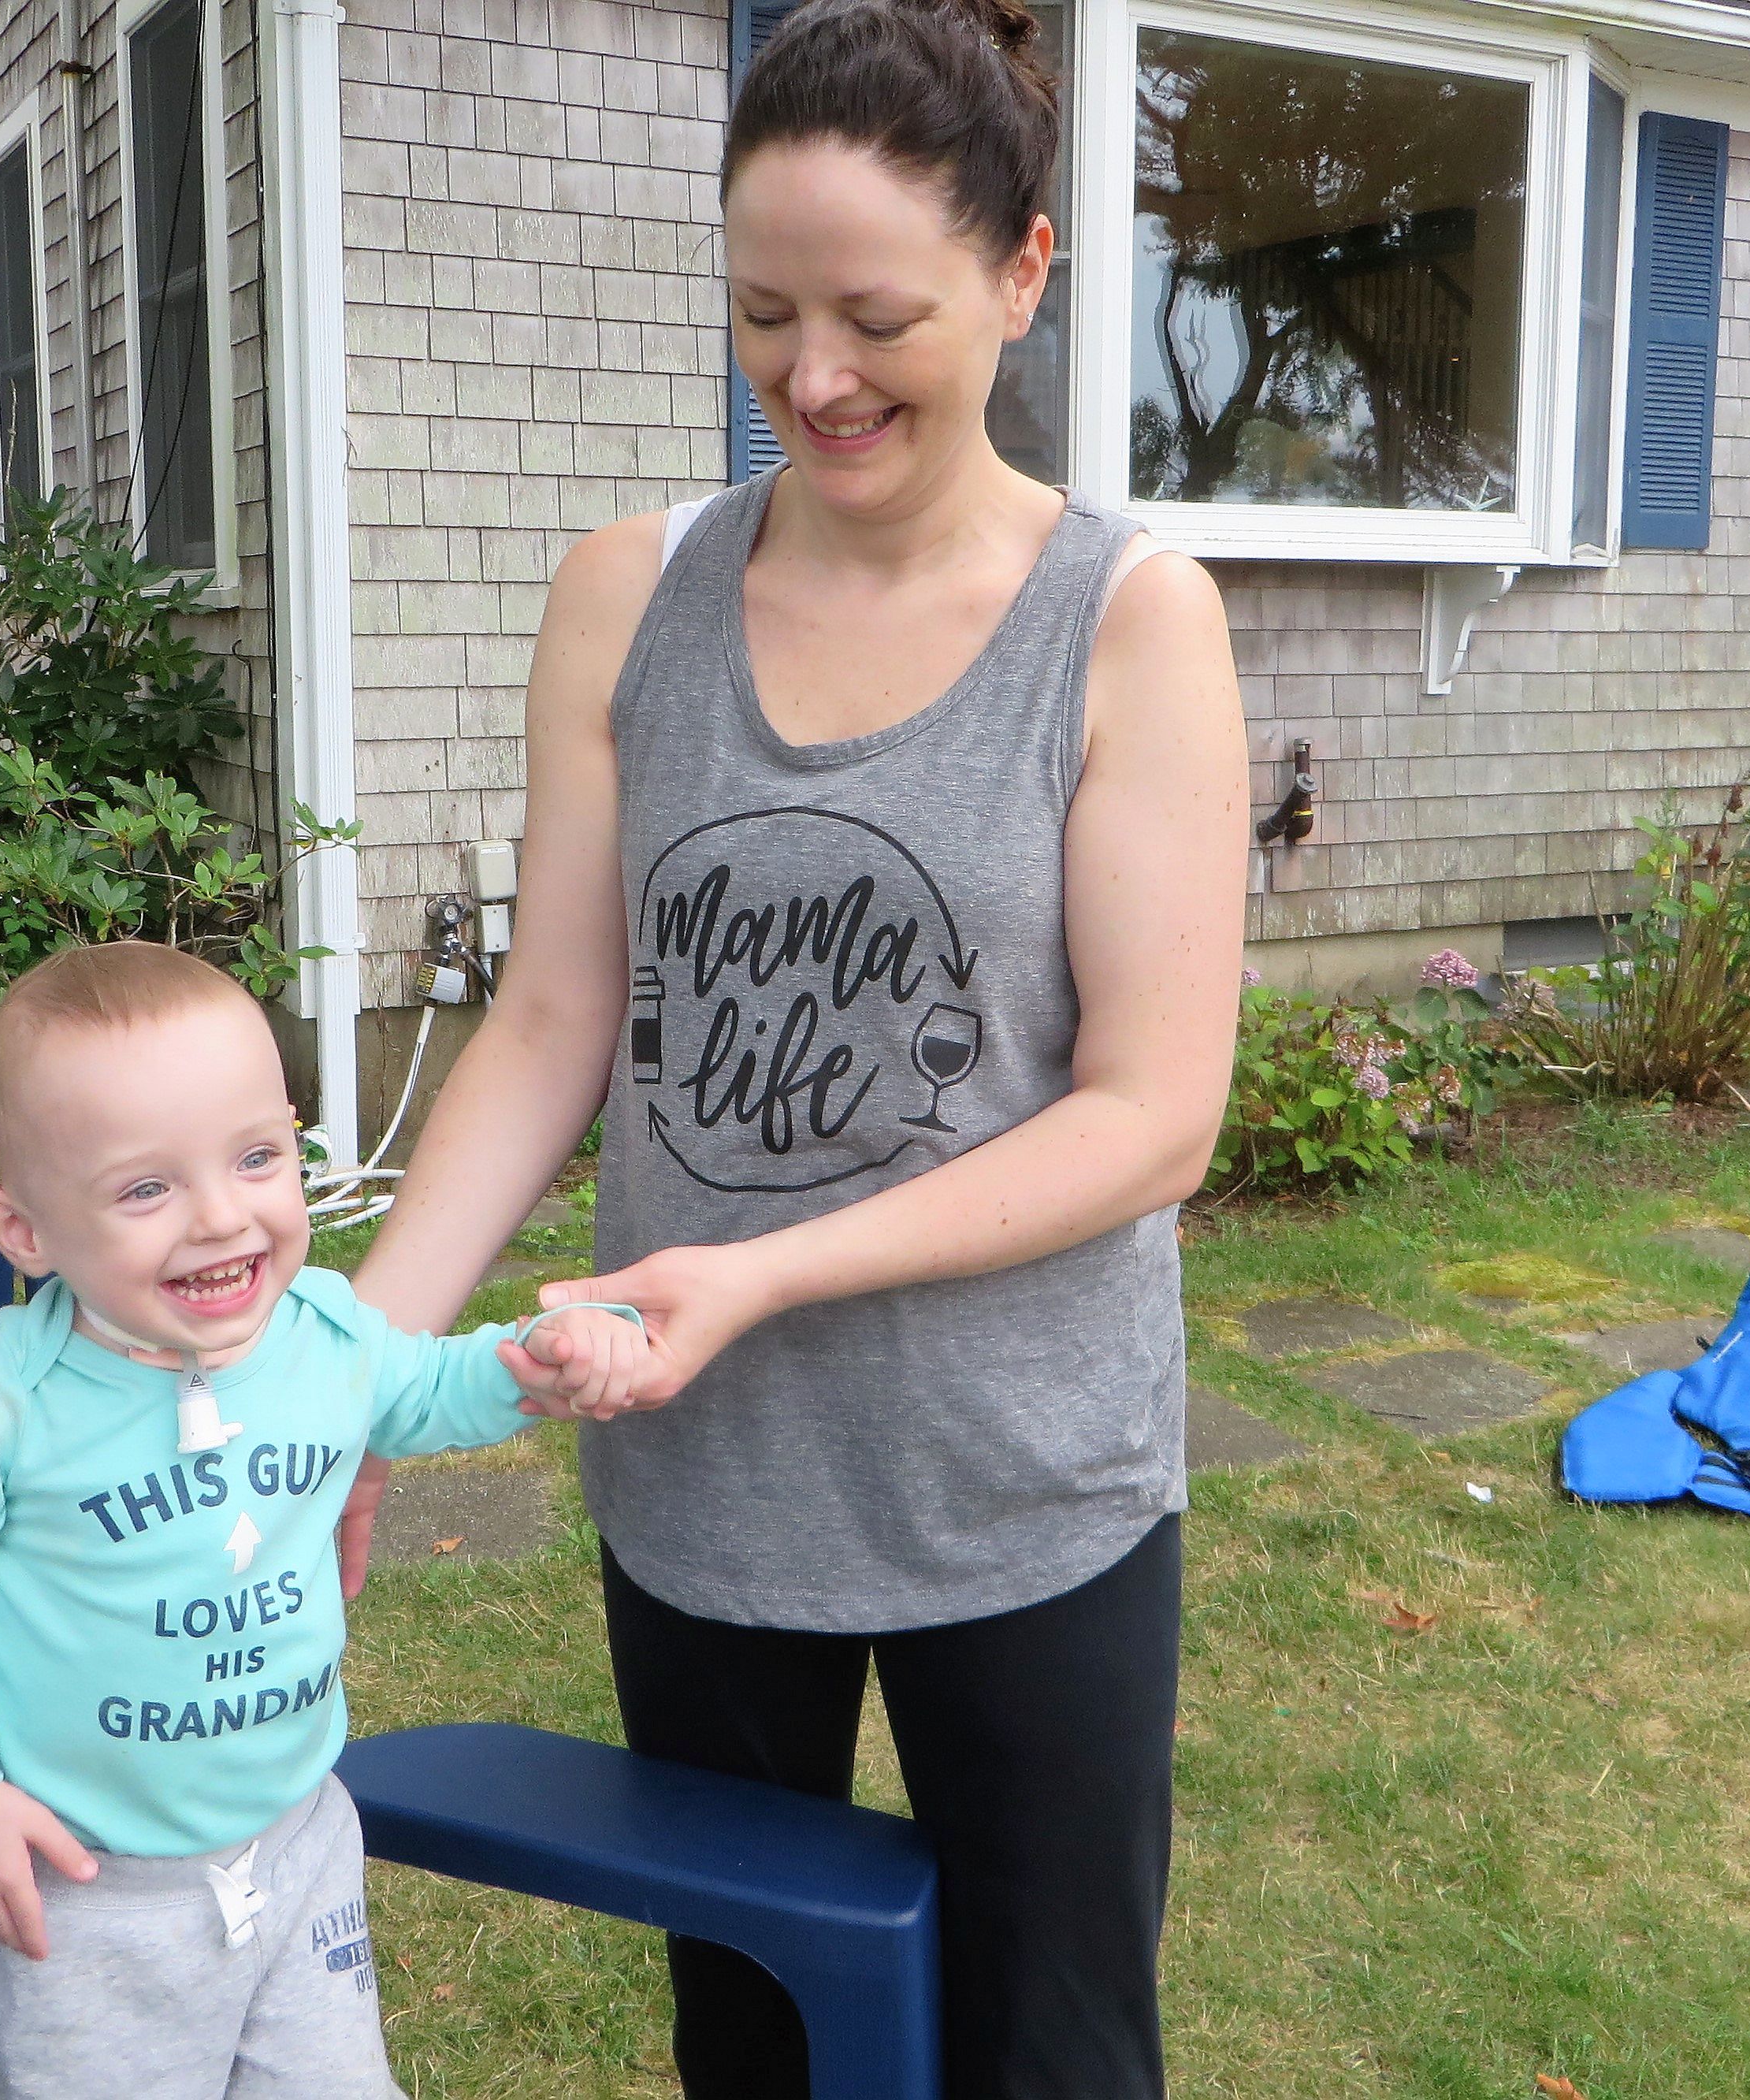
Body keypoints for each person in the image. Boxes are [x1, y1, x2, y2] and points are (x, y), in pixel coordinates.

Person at [340, 0, 1247, 2089]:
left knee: (1049, 2052)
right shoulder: (627, 593)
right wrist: (353, 1380)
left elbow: (1150, 1115)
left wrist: (757, 1274)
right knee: (748, 2037)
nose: (813, 378)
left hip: (1024, 1485)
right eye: (763, 316)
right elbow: (553, 1018)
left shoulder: (1128, 619)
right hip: (708, 1483)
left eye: (874, 318)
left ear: (1021, 273)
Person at [0, 940, 670, 2100]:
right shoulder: (5, 1403)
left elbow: (434, 1384)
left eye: (258, 1156)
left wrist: (547, 1355)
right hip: (98, 1893)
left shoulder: (321, 1334)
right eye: (146, 1188)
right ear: (23, 1231)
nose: (222, 1217)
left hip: (301, 1841)